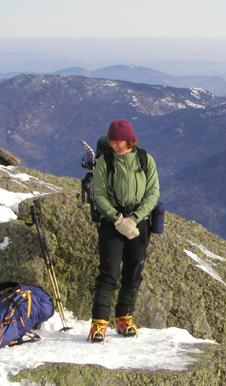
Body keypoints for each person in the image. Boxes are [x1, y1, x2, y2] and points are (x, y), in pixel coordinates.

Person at [88, 119, 160, 342]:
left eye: (118, 141)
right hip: (112, 222)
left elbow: (153, 192)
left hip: (139, 222)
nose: (115, 145)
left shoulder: (144, 159)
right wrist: (117, 218)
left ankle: (124, 318)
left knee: (133, 271)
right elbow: (98, 193)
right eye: (112, 141)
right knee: (109, 271)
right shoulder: (105, 161)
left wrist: (136, 217)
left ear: (130, 140)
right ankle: (99, 323)